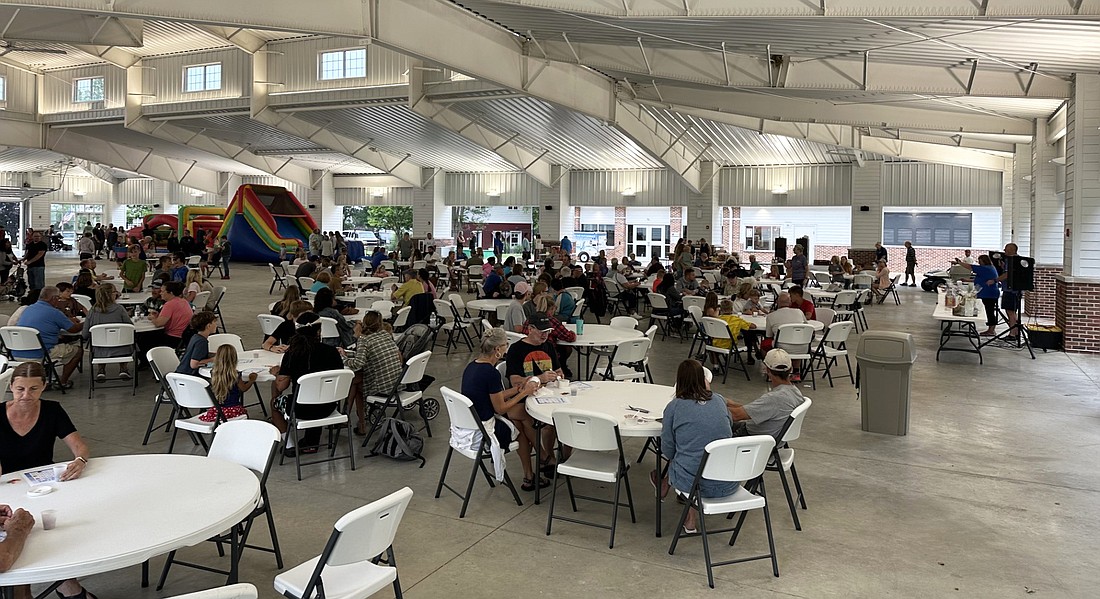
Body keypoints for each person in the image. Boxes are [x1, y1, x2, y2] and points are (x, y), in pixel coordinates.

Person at [0, 362, 96, 599]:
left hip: (44, 486)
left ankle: (66, 584)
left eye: (33, 389)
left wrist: (80, 461)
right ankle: (67, 587)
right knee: (25, 535)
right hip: (7, 487)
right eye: (20, 389)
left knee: (55, 532)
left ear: (43, 387)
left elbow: (79, 445)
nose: (26, 396)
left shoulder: (52, 410)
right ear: (11, 387)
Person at [653, 359, 736, 534]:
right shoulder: (720, 401)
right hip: (729, 481)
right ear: (703, 379)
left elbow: (668, 449)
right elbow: (728, 429)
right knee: (695, 455)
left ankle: (689, 517)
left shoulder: (674, 407)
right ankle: (665, 488)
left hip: (695, 485)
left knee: (685, 459)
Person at [462, 327, 546, 491]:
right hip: (484, 428)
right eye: (506, 345)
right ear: (497, 350)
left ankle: (534, 469)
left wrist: (518, 389)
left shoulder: (472, 366)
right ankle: (538, 462)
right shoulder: (491, 373)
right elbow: (500, 408)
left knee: (521, 418)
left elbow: (493, 395)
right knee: (520, 425)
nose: (507, 347)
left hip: (471, 422)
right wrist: (525, 393)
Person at [269, 312, 344, 456]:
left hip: (301, 408)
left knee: (274, 403)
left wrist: (277, 373)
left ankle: (290, 445)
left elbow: (281, 386)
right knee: (318, 392)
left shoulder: (292, 353)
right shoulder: (332, 352)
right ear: (319, 330)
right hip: (329, 405)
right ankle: (311, 442)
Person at [342, 310, 403, 436]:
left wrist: (343, 358)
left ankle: (350, 418)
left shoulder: (364, 340)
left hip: (381, 386)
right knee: (357, 383)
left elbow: (358, 364)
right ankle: (356, 421)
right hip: (396, 382)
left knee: (355, 384)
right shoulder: (384, 335)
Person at [726, 349, 806, 440]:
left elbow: (735, 416)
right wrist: (732, 403)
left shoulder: (774, 398)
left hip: (752, 438)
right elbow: (755, 410)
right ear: (790, 369)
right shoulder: (795, 392)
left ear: (767, 370)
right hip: (768, 434)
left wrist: (717, 404)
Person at [11, 286, 83, 389]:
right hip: (40, 352)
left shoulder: (28, 309)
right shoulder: (54, 312)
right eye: (58, 298)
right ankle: (62, 382)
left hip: (17, 351)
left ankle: (48, 376)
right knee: (78, 351)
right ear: (53, 298)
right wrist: (86, 323)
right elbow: (73, 330)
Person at [82, 283, 133, 382]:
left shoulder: (92, 311)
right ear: (111, 295)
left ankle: (101, 370)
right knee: (127, 338)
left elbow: (85, 334)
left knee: (98, 341)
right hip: (122, 349)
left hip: (99, 351)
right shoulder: (119, 309)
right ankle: (123, 368)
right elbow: (130, 327)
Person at [201, 344, 255, 423]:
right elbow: (244, 388)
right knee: (245, 415)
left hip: (218, 409)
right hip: (233, 408)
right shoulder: (235, 374)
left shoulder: (214, 373)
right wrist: (251, 380)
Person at [958, 254, 1001, 336]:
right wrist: (966, 280)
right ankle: (991, 329)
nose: (979, 262)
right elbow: (980, 279)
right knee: (989, 310)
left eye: (980, 261)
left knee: (990, 311)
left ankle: (991, 330)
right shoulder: (989, 268)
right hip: (988, 293)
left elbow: (970, 267)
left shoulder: (986, 268)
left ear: (984, 261)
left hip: (989, 294)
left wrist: (959, 263)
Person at [145, 281, 193, 351]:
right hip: (185, 337)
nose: (160, 293)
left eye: (162, 291)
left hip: (173, 338)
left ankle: (146, 360)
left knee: (143, 339)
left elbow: (159, 323)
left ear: (171, 293)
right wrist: (158, 316)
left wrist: (153, 318)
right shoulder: (183, 301)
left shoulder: (170, 304)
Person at [177, 311, 218, 376]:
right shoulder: (202, 342)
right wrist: (214, 359)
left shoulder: (195, 337)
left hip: (182, 373)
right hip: (189, 376)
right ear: (208, 326)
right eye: (214, 322)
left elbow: (199, 354)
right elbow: (194, 364)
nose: (216, 325)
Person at [996, 243, 1022, 340]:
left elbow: (1007, 274)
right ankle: (1015, 332)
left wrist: (995, 280)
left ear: (1012, 250)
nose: (1004, 251)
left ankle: (1012, 334)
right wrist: (1003, 266)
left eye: (1006, 249)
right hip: (1015, 290)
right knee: (1013, 312)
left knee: (1010, 312)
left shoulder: (1011, 261)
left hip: (1010, 290)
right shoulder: (1018, 260)